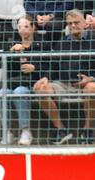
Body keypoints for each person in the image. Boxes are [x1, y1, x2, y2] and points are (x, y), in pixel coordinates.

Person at [33, 9, 95, 144]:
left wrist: (91, 78)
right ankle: (61, 130)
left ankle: (88, 129)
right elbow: (53, 65)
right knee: (40, 88)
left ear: (85, 23)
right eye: (70, 23)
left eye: (76, 22)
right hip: (63, 83)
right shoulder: (62, 42)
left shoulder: (93, 40)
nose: (73, 26)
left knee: (92, 88)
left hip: (86, 84)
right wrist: (46, 78)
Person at [0, 15, 47, 146]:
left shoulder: (41, 44)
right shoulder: (12, 43)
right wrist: (11, 52)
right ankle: (7, 131)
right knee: (0, 95)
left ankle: (26, 131)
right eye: (19, 27)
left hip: (31, 83)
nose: (22, 30)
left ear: (33, 27)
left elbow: (50, 66)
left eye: (26, 26)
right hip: (12, 83)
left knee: (19, 92)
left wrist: (34, 68)